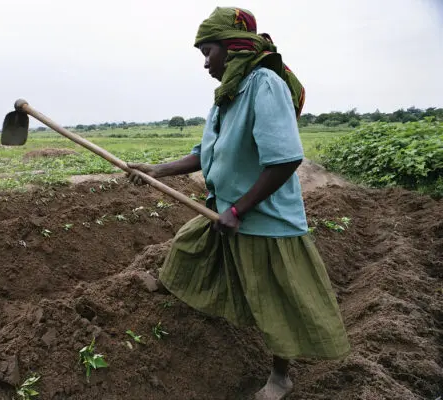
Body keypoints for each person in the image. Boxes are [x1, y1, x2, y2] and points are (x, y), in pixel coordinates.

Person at [127, 7, 350, 400]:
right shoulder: (227, 94)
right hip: (226, 206)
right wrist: (156, 170)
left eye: (208, 52)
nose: (205, 63)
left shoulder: (265, 84)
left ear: (233, 47)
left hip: (264, 217)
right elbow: (206, 152)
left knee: (275, 301)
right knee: (189, 245)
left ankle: (280, 377)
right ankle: (171, 292)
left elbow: (285, 159)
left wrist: (238, 210)